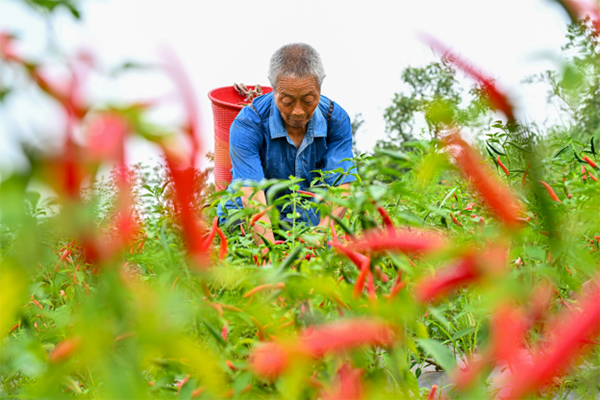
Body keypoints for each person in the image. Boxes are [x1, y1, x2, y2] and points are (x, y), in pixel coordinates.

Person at [217, 43, 357, 244]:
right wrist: (267, 256)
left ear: (320, 84)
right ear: (273, 86)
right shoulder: (248, 124)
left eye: (308, 100)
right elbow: (251, 194)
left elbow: (342, 184)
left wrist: (319, 236)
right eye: (287, 101)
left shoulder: (335, 119)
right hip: (248, 219)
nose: (298, 111)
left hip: (305, 221)